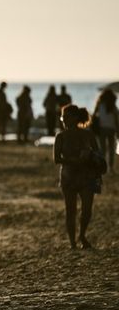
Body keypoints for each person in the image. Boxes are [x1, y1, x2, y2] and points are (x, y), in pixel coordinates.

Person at [54, 105, 100, 249]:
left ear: (75, 117)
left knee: (87, 210)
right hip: (68, 177)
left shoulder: (88, 135)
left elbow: (98, 154)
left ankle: (82, 235)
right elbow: (56, 159)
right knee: (71, 210)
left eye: (66, 117)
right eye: (63, 117)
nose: (64, 120)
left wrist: (90, 158)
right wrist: (73, 160)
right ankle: (72, 242)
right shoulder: (60, 136)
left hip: (87, 176)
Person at [93, 89, 118, 173]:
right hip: (112, 129)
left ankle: (102, 167)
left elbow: (95, 116)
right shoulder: (113, 106)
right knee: (111, 149)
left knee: (102, 150)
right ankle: (111, 167)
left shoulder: (99, 105)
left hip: (102, 129)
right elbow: (116, 119)